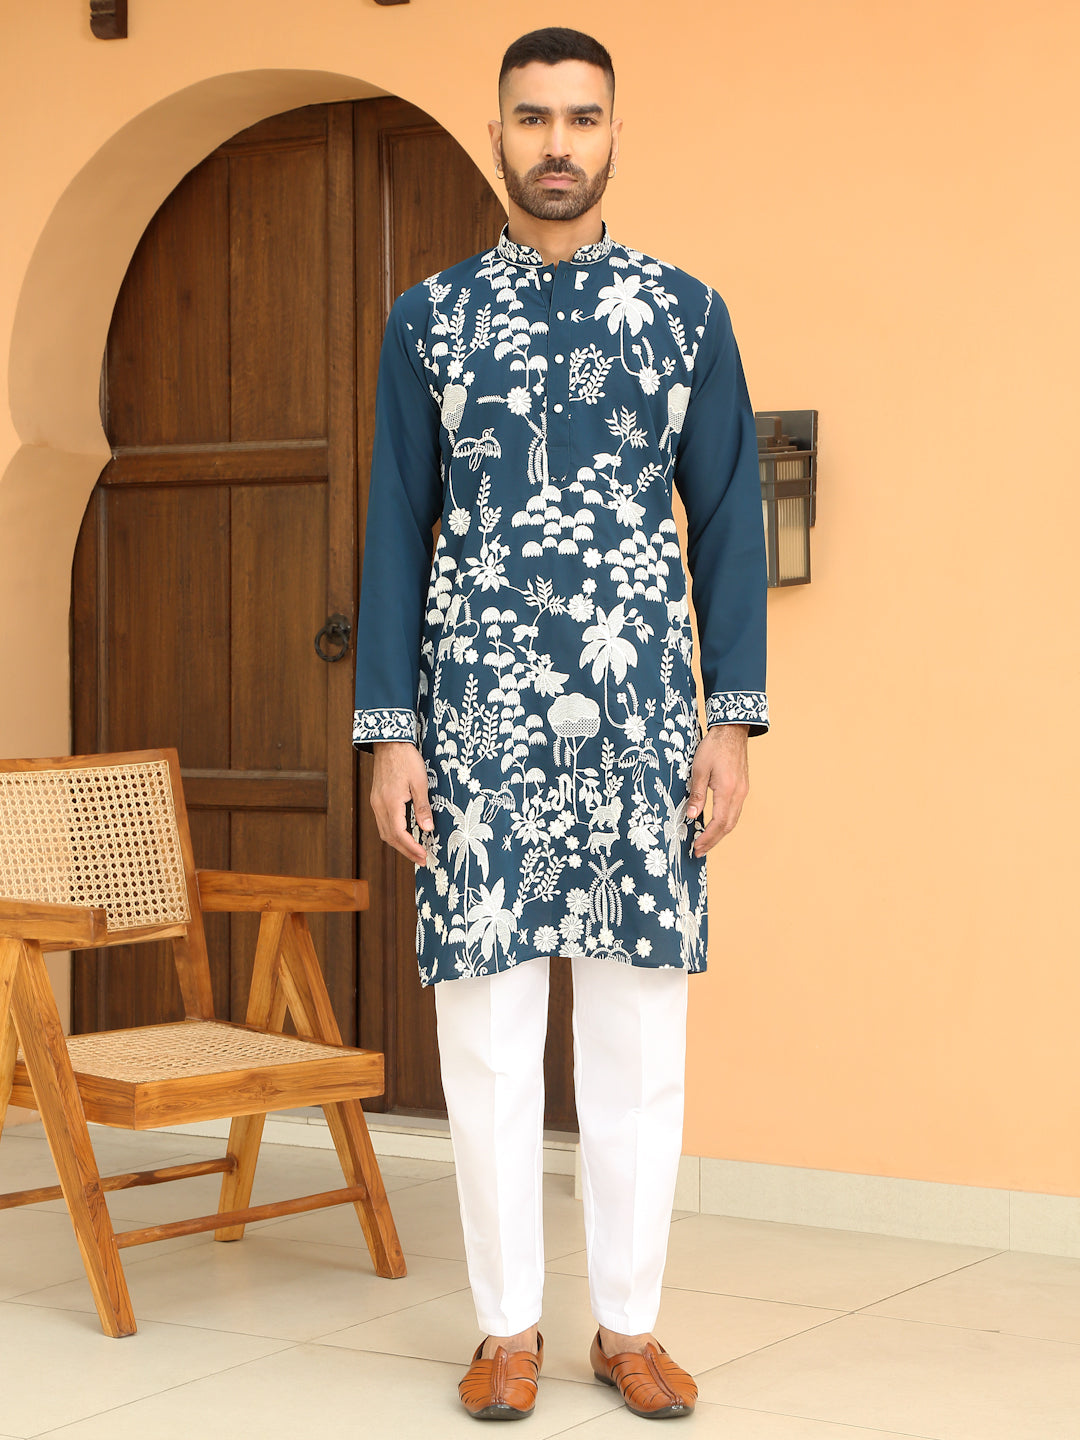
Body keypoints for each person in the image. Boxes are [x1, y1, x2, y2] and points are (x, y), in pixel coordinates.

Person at [353, 27, 768, 1422]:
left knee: (639, 1038)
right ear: (497, 135)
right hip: (477, 726)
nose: (556, 143)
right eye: (532, 118)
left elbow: (729, 524)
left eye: (581, 118)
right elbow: (395, 530)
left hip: (641, 728)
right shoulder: (429, 320)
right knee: (486, 1036)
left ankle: (629, 1327)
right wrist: (392, 731)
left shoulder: (687, 315)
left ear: (614, 136)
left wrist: (730, 724)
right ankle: (507, 1329)